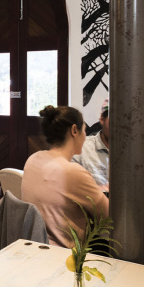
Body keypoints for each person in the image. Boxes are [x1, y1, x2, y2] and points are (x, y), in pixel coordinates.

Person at [21, 105, 109, 248]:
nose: (85, 137)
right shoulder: (73, 172)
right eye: (84, 130)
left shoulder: (33, 159)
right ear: (74, 130)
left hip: (35, 249)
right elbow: (108, 217)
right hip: (66, 256)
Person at [73, 99, 110, 190]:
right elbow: (70, 187)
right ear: (102, 119)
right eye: (115, 119)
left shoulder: (136, 152)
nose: (120, 126)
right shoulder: (81, 148)